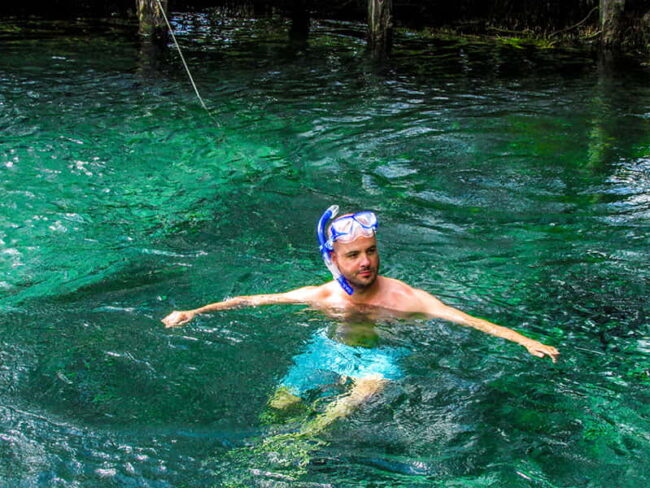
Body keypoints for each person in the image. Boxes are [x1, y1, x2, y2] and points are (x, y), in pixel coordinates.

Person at [162, 206, 559, 431]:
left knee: (335, 414)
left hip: (379, 360)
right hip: (328, 349)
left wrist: (523, 340)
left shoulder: (405, 298)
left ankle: (297, 448)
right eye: (353, 255)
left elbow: (465, 319)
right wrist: (193, 312)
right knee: (278, 406)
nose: (366, 261)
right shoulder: (322, 295)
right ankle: (265, 442)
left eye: (370, 250)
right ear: (332, 259)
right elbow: (252, 300)